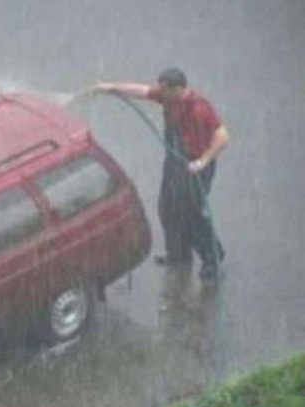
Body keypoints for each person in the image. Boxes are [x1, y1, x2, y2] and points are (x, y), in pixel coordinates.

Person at [90, 68, 230, 283]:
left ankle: (213, 258)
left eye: (164, 90)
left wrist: (203, 161)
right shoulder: (168, 97)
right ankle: (179, 255)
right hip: (175, 163)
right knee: (168, 208)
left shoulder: (199, 108)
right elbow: (143, 90)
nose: (160, 93)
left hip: (195, 165)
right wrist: (111, 87)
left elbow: (222, 136)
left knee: (193, 216)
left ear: (178, 89)